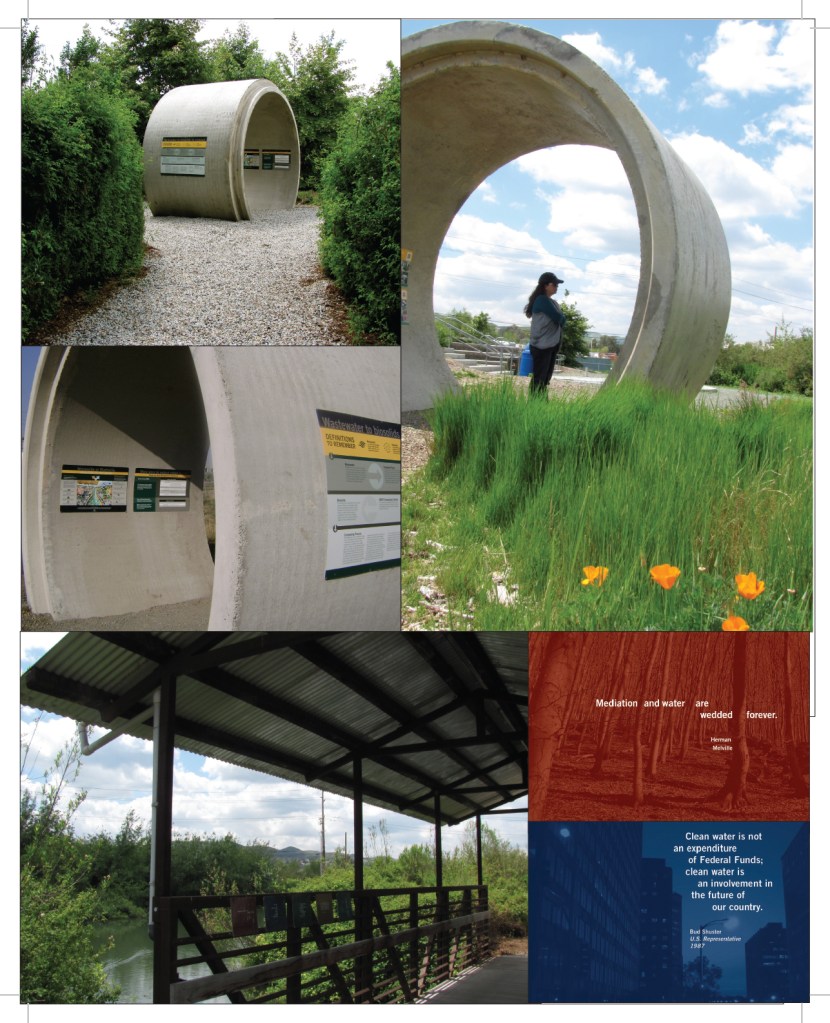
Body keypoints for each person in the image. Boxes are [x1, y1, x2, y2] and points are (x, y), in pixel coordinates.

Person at [524, 271, 567, 395]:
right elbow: (559, 318)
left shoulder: (551, 301)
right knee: (540, 378)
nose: (556, 287)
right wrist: (562, 318)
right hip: (542, 346)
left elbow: (560, 319)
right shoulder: (542, 300)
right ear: (546, 285)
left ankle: (540, 401)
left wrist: (562, 318)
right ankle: (534, 401)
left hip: (549, 345)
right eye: (554, 284)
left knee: (544, 378)